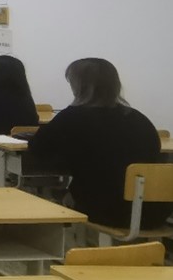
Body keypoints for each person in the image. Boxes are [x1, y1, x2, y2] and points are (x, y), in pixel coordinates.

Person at [27, 58, 169, 229]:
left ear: (79, 86)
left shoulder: (71, 117)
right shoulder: (139, 118)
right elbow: (154, 150)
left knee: (55, 193)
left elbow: (37, 149)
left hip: (107, 211)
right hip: (156, 213)